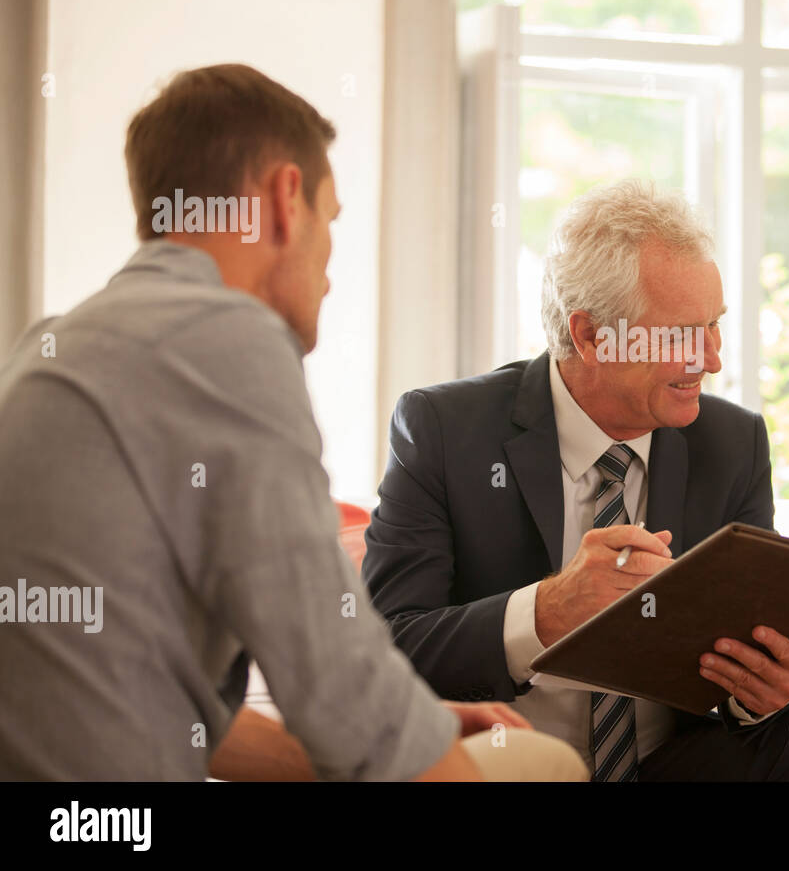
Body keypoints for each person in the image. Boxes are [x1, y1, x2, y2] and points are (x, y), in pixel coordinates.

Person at [0, 63, 585, 782]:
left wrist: (418, 726)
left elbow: (180, 716)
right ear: (284, 199)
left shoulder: (51, 347)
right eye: (329, 220)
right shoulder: (226, 338)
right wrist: (422, 754)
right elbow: (329, 670)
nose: (330, 268)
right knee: (539, 766)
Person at [363, 179, 789, 781]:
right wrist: (545, 611)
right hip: (506, 761)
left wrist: (759, 691)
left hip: (666, 764)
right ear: (591, 336)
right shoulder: (444, 429)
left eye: (714, 325)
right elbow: (388, 646)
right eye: (681, 333)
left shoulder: (732, 444)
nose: (710, 358)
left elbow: (746, 657)